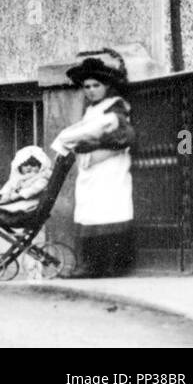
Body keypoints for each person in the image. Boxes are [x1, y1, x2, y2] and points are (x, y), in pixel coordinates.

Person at [52, 50, 135, 279]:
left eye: (95, 85)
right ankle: (92, 264)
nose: (90, 90)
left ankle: (112, 265)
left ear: (106, 85)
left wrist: (79, 140)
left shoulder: (115, 107)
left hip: (111, 167)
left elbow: (119, 135)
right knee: (89, 212)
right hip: (90, 169)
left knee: (109, 209)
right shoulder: (90, 110)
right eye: (87, 87)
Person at [0, 145, 53, 215]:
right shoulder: (18, 178)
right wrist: (4, 195)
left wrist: (16, 196)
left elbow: (33, 190)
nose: (29, 168)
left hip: (30, 204)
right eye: (25, 165)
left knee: (6, 213)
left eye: (33, 165)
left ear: (40, 166)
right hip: (14, 202)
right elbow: (8, 187)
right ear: (20, 167)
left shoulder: (41, 178)